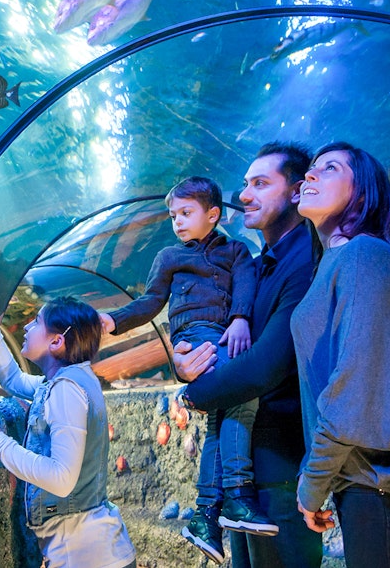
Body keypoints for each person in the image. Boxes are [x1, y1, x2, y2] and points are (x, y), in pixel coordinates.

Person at [291, 142, 390, 567]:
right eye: (311, 168)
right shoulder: (336, 263)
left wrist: (313, 482)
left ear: (362, 192)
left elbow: (353, 390)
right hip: (370, 487)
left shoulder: (364, 254)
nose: (310, 174)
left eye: (330, 168)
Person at [96, 176, 276, 553]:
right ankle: (237, 495)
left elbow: (246, 284)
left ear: (213, 215)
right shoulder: (169, 257)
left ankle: (206, 514)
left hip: (227, 335)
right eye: (173, 215)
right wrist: (114, 320)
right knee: (244, 396)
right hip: (195, 336)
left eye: (185, 212)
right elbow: (151, 301)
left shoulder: (236, 251)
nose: (177, 221)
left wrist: (240, 318)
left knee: (220, 416)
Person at [172, 142, 324, 568]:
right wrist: (183, 364)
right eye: (244, 184)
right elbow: (206, 326)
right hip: (241, 470)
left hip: (281, 466)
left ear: (296, 191)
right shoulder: (254, 267)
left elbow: (266, 367)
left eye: (260, 183)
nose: (243, 195)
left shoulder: (309, 261)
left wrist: (192, 395)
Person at [0, 288, 136, 568]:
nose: (27, 327)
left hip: (87, 557)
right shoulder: (67, 380)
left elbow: (61, 478)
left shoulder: (67, 389)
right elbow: (13, 380)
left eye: (37, 322)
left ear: (56, 341)